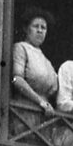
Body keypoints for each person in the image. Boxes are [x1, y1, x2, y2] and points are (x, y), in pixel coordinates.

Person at [10, 8, 58, 137]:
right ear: (26, 29)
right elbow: (17, 79)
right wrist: (40, 101)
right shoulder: (21, 48)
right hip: (24, 110)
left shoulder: (46, 61)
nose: (40, 30)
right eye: (36, 26)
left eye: (43, 28)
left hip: (44, 116)